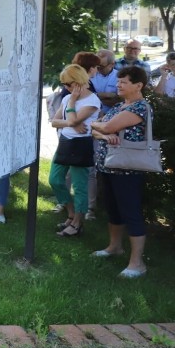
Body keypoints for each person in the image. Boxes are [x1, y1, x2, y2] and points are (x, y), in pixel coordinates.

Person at [90, 66, 152, 278]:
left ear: (138, 85)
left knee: (131, 213)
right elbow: (95, 129)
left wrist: (102, 129)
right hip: (108, 166)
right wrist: (104, 135)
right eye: (118, 82)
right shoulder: (119, 106)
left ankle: (137, 264)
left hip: (127, 170)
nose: (118, 85)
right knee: (113, 209)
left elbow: (103, 126)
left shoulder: (139, 108)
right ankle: (114, 247)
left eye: (123, 82)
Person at [49, 64, 101, 237]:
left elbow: (72, 120)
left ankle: (78, 223)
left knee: (79, 186)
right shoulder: (65, 98)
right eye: (64, 84)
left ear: (79, 81)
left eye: (69, 84)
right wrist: (71, 122)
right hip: (65, 141)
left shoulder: (92, 101)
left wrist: (71, 104)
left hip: (81, 145)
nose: (66, 88)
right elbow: (55, 122)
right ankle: (71, 213)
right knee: (55, 179)